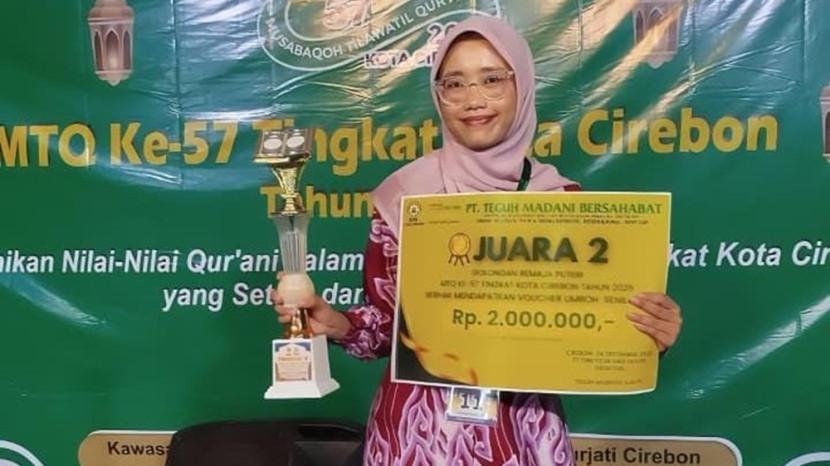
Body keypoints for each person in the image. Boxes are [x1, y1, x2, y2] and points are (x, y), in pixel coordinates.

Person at [272, 15, 683, 466]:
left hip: (524, 438)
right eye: (454, 84)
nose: (474, 100)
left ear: (521, 85)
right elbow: (386, 329)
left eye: (491, 80)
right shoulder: (404, 196)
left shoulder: (564, 203)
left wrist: (645, 335)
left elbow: (594, 329)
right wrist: (335, 322)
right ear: (438, 95)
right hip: (415, 439)